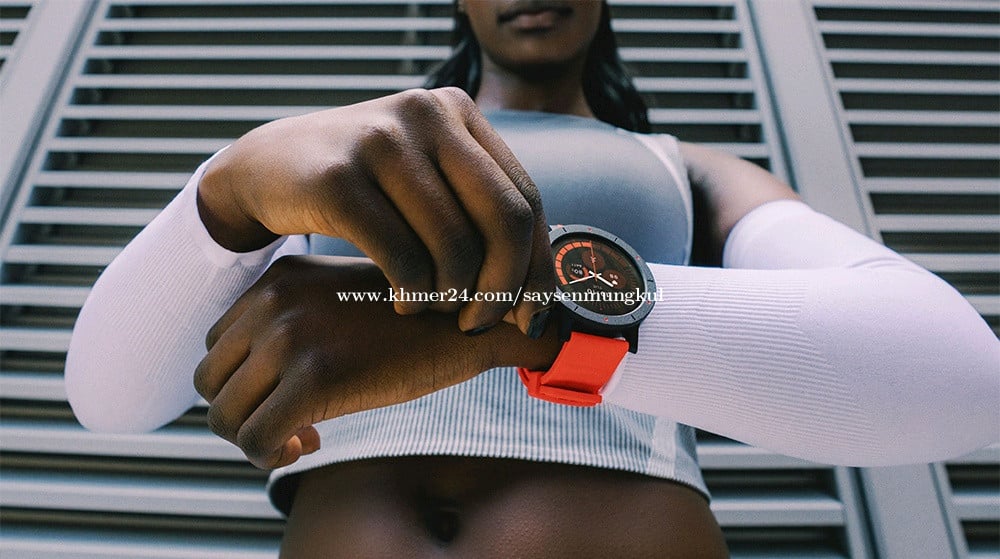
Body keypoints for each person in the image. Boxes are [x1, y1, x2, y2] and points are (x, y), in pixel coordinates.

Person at [65, 1, 998, 557]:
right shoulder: (336, 157)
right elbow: (108, 398)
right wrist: (227, 189)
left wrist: (491, 323)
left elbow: (961, 374)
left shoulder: (687, 169)